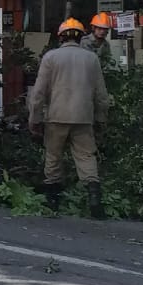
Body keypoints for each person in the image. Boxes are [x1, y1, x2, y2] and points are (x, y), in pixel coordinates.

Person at [28, 17, 111, 219]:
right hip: (83, 117)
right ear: (81, 35)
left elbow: (38, 93)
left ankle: (53, 202)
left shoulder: (50, 57)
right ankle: (94, 199)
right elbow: (101, 94)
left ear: (61, 37)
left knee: (53, 157)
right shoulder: (92, 59)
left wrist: (34, 118)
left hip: (56, 116)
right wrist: (101, 119)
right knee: (86, 156)